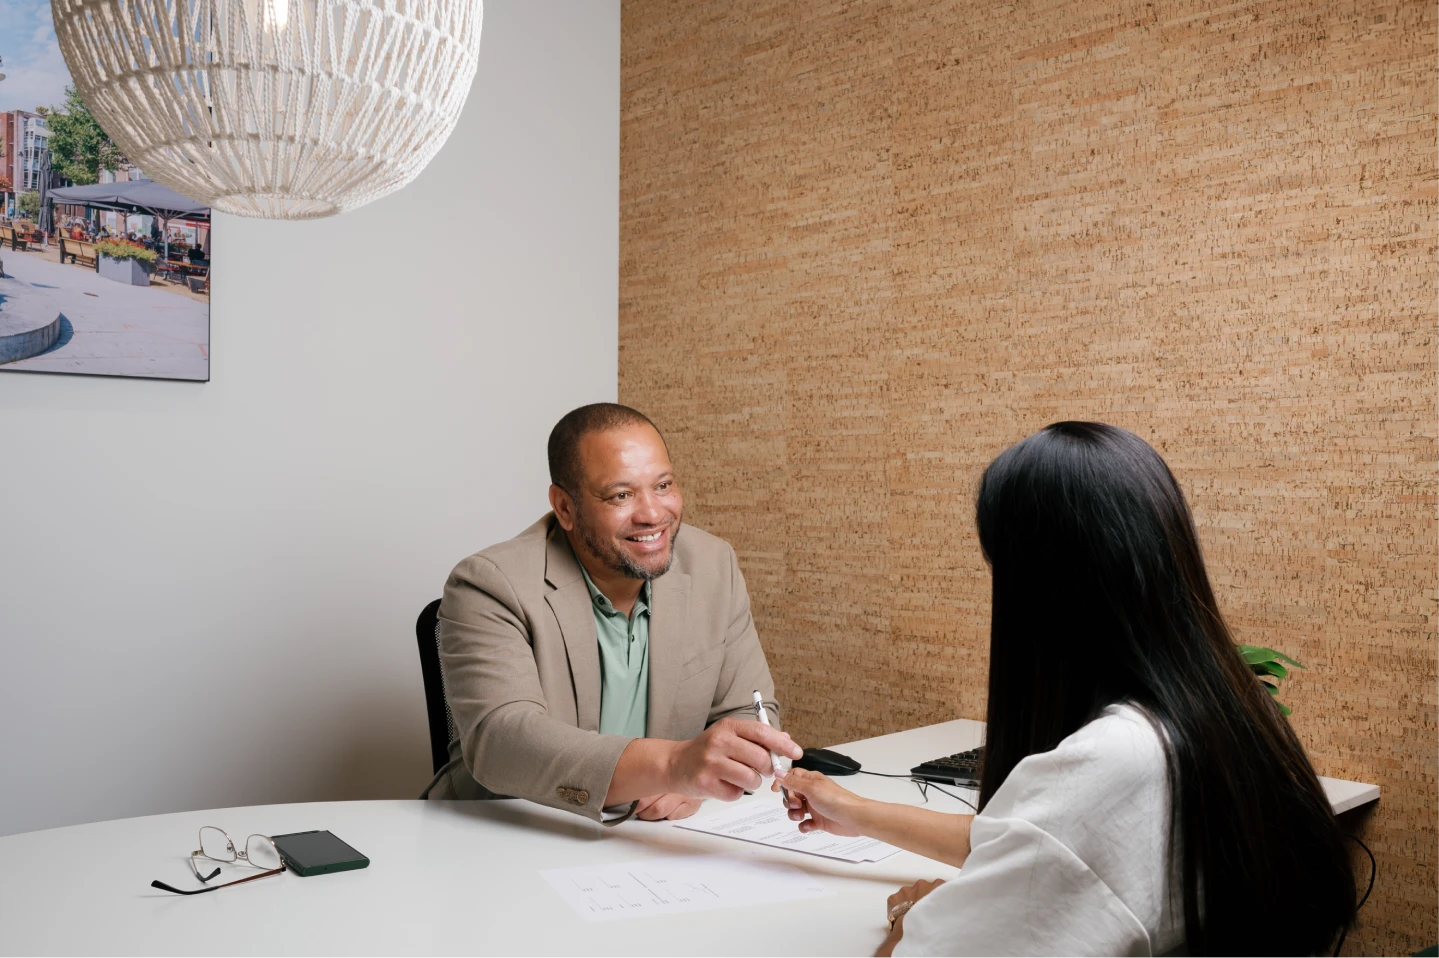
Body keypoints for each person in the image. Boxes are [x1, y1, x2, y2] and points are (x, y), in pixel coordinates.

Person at [776, 422, 1356, 957]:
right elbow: (1031, 840)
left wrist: (909, 922)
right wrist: (856, 811)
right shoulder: (1216, 710)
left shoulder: (1104, 764)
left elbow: (1046, 843)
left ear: (1040, 590)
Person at [424, 403, 801, 824]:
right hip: (503, 831)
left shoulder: (713, 565)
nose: (653, 514)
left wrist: (703, 782)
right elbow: (503, 742)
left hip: (651, 837)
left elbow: (751, 713)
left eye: (663, 485)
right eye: (621, 495)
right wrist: (672, 766)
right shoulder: (489, 584)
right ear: (565, 508)